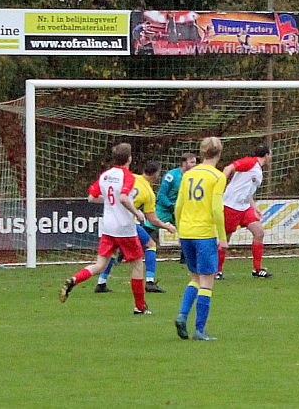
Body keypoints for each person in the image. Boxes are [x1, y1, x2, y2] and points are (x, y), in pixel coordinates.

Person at [58, 143, 152, 314]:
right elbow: (123, 198)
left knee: (100, 265)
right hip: (124, 229)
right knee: (138, 265)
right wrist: (137, 213)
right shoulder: (128, 176)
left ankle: (74, 279)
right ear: (129, 158)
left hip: (108, 228)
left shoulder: (105, 175)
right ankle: (140, 307)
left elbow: (91, 198)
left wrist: (109, 200)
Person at [173, 137, 228, 341]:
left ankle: (182, 315)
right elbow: (216, 209)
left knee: (194, 277)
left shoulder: (188, 174)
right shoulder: (217, 176)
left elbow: (178, 205)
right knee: (207, 281)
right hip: (204, 234)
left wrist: (179, 231)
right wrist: (222, 237)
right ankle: (199, 330)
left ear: (202, 152)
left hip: (187, 232)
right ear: (219, 153)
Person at [93, 161, 176, 293]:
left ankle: (101, 283)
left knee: (112, 251)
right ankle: (149, 281)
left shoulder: (131, 177)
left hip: (112, 220)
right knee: (150, 245)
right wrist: (166, 226)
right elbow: (152, 219)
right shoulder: (148, 193)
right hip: (127, 223)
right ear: (156, 174)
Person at [217, 145, 273, 279]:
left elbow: (248, 191)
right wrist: (218, 188)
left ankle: (257, 269)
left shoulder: (258, 170)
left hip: (245, 207)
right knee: (225, 239)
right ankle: (217, 271)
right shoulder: (250, 162)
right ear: (266, 155)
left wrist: (254, 207)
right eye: (270, 154)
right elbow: (228, 168)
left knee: (259, 233)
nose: (271, 157)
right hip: (231, 205)